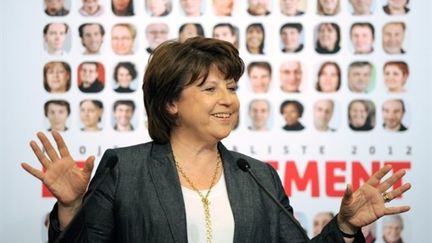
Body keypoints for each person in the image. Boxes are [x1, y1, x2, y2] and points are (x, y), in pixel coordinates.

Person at [22, 37, 411, 242]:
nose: (228, 99)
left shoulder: (258, 176)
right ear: (172, 102)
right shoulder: (126, 169)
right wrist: (72, 208)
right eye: (209, 88)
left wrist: (344, 227)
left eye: (231, 86)